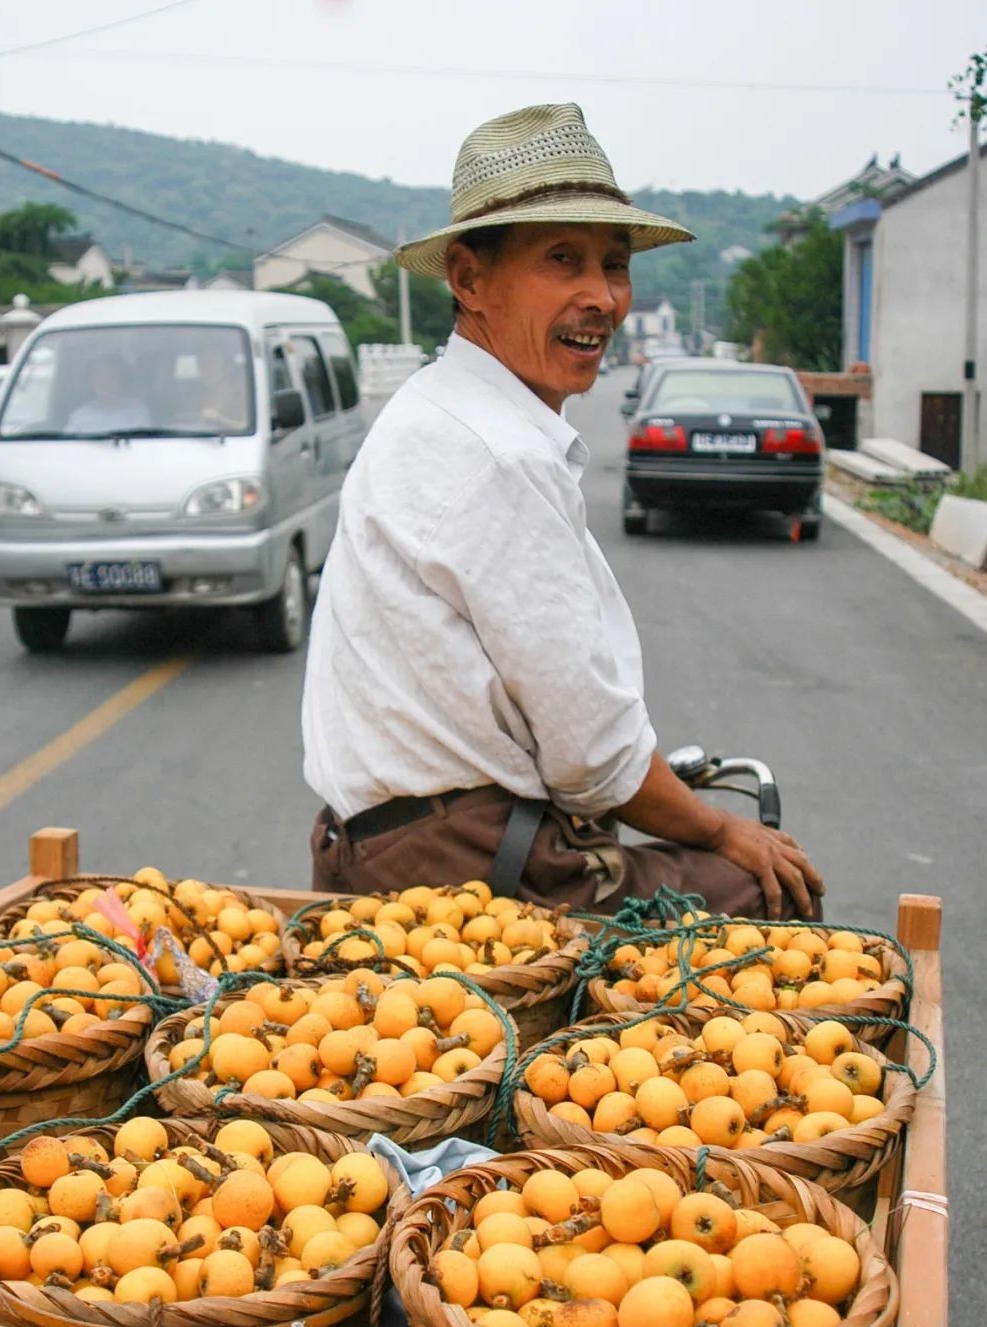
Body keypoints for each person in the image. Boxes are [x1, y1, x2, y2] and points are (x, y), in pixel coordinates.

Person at [301, 104, 823, 920]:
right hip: (468, 871)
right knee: (773, 887)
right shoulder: (497, 452)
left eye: (613, 266)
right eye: (562, 261)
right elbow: (592, 756)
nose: (603, 299)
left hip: (387, 848)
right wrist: (720, 832)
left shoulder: (442, 411)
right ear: (470, 280)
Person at [65, 353, 150, 434]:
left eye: (111, 375)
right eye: (99, 376)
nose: (105, 381)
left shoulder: (138, 413)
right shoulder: (80, 416)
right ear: (91, 382)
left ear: (121, 379)